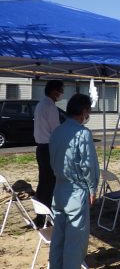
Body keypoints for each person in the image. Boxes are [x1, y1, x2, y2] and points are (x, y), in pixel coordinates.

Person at [49, 94, 99, 269]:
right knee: (75, 242)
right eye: (88, 111)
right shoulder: (83, 133)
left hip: (59, 189)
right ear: (84, 111)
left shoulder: (57, 131)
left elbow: (52, 160)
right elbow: (87, 165)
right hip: (76, 191)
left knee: (58, 239)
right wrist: (92, 189)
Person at [33, 79, 64, 227]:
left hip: (41, 148)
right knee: (49, 184)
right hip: (48, 148)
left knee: (43, 182)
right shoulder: (50, 107)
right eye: (60, 90)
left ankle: (40, 216)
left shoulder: (40, 104)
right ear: (54, 91)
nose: (61, 94)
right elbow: (56, 131)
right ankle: (46, 217)